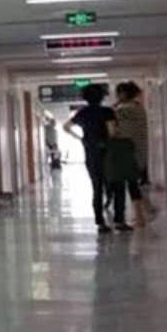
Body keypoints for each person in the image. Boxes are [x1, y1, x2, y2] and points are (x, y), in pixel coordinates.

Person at [64, 83, 117, 233]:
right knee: (111, 181)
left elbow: (66, 127)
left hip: (91, 152)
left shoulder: (82, 113)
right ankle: (111, 201)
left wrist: (81, 138)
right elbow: (112, 132)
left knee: (96, 186)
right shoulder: (107, 112)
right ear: (102, 97)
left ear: (85, 98)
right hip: (107, 151)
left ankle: (100, 222)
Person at [109, 82, 151, 227]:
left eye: (118, 93)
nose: (117, 96)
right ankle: (144, 212)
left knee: (131, 184)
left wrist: (116, 105)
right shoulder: (139, 107)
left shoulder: (125, 110)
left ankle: (140, 217)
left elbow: (110, 117)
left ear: (124, 94)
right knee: (133, 183)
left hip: (129, 151)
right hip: (138, 151)